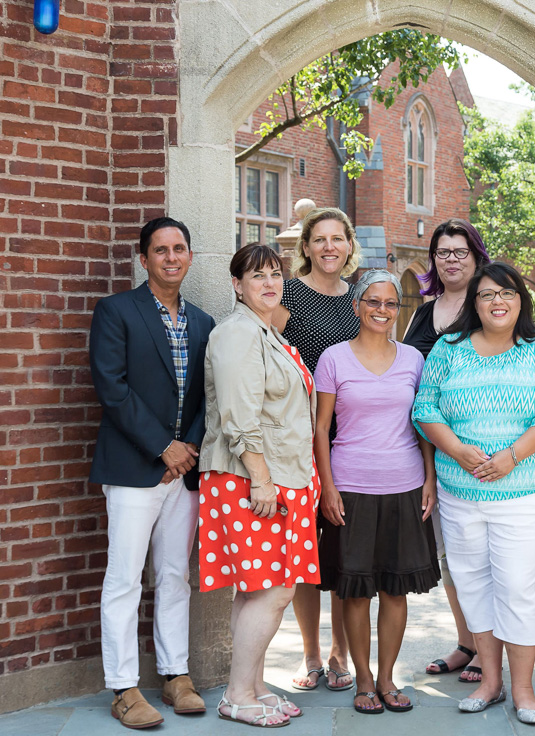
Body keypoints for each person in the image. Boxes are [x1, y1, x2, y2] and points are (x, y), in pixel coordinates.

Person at [413, 262, 535, 725]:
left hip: (526, 493)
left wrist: (513, 456)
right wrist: (458, 449)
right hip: (461, 492)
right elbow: (424, 407)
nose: (497, 302)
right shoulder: (449, 348)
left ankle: (523, 691)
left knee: (517, 589)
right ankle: (490, 681)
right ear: (474, 303)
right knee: (471, 584)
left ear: (520, 299)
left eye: (506, 293)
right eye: (486, 295)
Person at [88, 217, 213, 730]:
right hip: (135, 468)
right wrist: (164, 447)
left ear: (188, 256)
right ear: (144, 259)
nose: (170, 257)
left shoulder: (204, 322)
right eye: (159, 250)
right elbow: (111, 386)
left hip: (183, 473)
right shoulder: (117, 311)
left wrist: (188, 450)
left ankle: (175, 674)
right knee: (123, 579)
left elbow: (212, 395)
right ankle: (122, 687)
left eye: (179, 248)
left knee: (174, 576)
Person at [198, 243, 321, 728]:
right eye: (256, 277)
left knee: (258, 589)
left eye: (275, 274)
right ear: (237, 285)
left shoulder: (265, 331)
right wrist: (262, 480)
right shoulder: (237, 334)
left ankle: (251, 685)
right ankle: (236, 696)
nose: (269, 283)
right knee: (273, 590)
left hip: (276, 476)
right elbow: (237, 414)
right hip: (251, 479)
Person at [314, 269, 440, 715]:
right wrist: (327, 487)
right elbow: (321, 427)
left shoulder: (413, 360)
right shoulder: (333, 358)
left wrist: (429, 477)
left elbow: (424, 425)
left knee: (395, 589)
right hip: (350, 487)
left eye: (390, 303)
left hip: (405, 485)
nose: (381, 310)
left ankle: (387, 678)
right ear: (356, 306)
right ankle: (363, 678)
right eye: (372, 301)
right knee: (354, 591)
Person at [272, 207, 361, 693]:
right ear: (305, 247)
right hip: (298, 438)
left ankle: (340, 653)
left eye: (337, 238)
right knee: (305, 551)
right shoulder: (287, 294)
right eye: (319, 239)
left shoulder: (360, 299)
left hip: (350, 440)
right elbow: (268, 354)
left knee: (343, 548)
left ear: (349, 246)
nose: (329, 247)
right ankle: (309, 654)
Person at [403, 220, 491, 684]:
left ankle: (488, 649)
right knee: (452, 558)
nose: (451, 259)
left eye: (460, 251)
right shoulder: (423, 312)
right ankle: (466, 642)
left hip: (480, 453)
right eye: (442, 252)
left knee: (483, 558)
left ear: (477, 256)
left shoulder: (488, 306)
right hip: (430, 448)